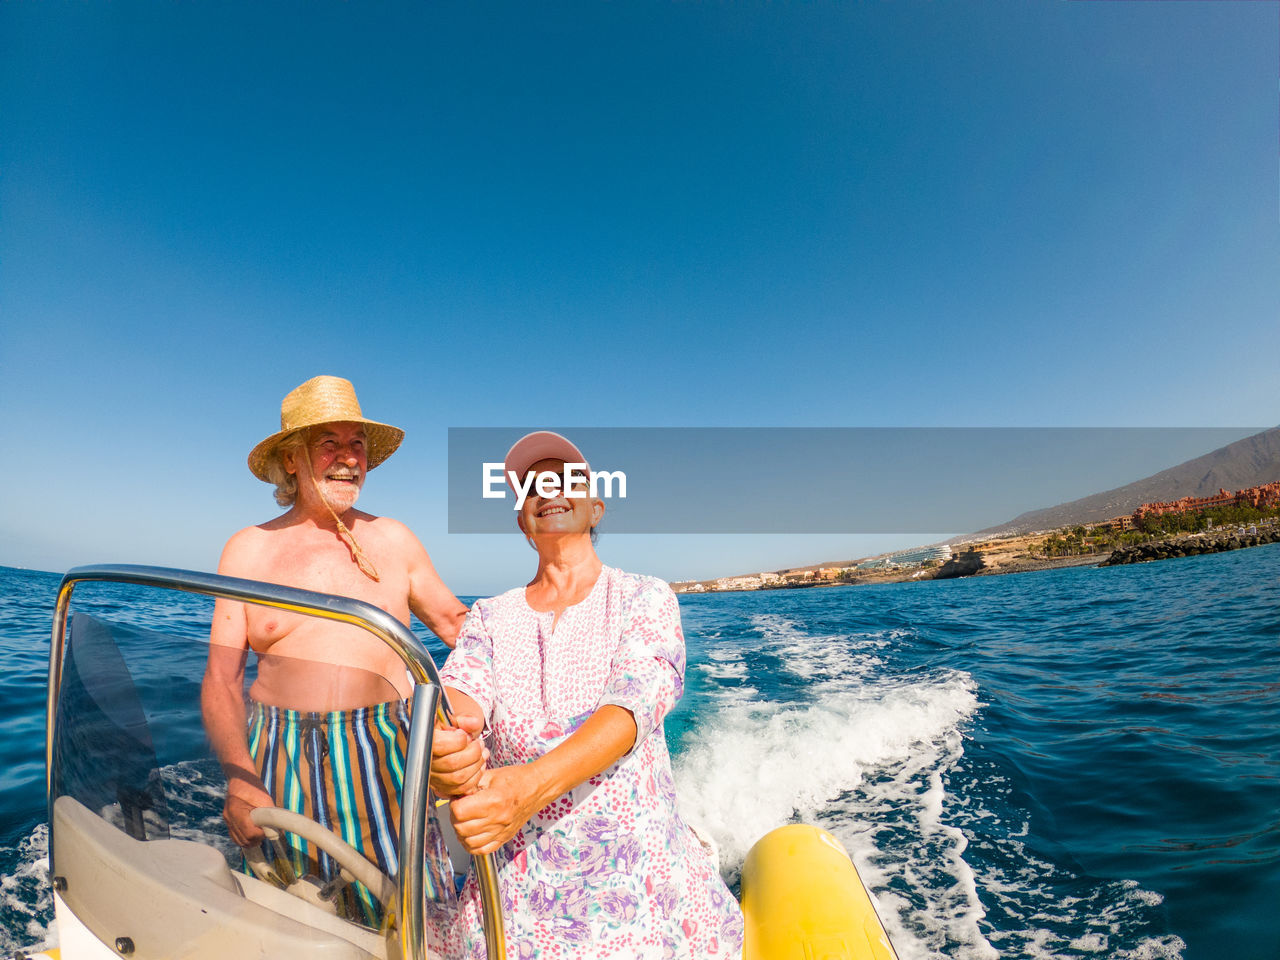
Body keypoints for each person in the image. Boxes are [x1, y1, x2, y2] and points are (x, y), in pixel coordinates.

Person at [427, 431, 743, 959]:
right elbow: (462, 695)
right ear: (524, 520)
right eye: (532, 486)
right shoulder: (488, 615)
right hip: (516, 897)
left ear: (595, 508)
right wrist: (445, 743)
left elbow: (632, 707)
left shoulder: (645, 596)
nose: (547, 489)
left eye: (564, 479)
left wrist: (527, 788)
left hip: (638, 890)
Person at [201, 374, 468, 925]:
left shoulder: (393, 539)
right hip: (279, 755)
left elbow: (458, 625)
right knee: (287, 919)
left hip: (387, 746)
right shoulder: (248, 549)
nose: (348, 459)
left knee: (414, 917)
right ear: (292, 459)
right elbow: (222, 680)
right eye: (330, 443)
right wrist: (239, 778)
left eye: (357, 445)